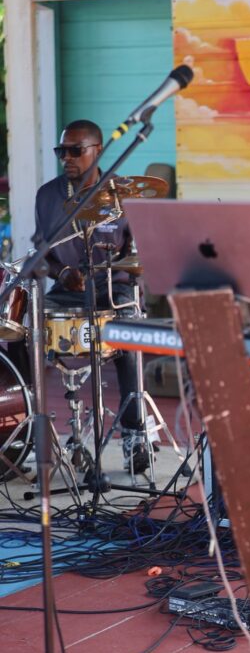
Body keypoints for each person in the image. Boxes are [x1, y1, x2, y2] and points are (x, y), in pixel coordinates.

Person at [33, 119, 150, 474]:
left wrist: (128, 273)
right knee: (26, 328)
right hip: (67, 290)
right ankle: (28, 426)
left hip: (114, 287)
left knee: (128, 332)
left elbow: (139, 255)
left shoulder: (122, 193)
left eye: (75, 150)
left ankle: (135, 435)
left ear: (97, 151)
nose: (66, 158)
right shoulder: (48, 196)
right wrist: (61, 274)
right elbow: (41, 254)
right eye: (61, 151)